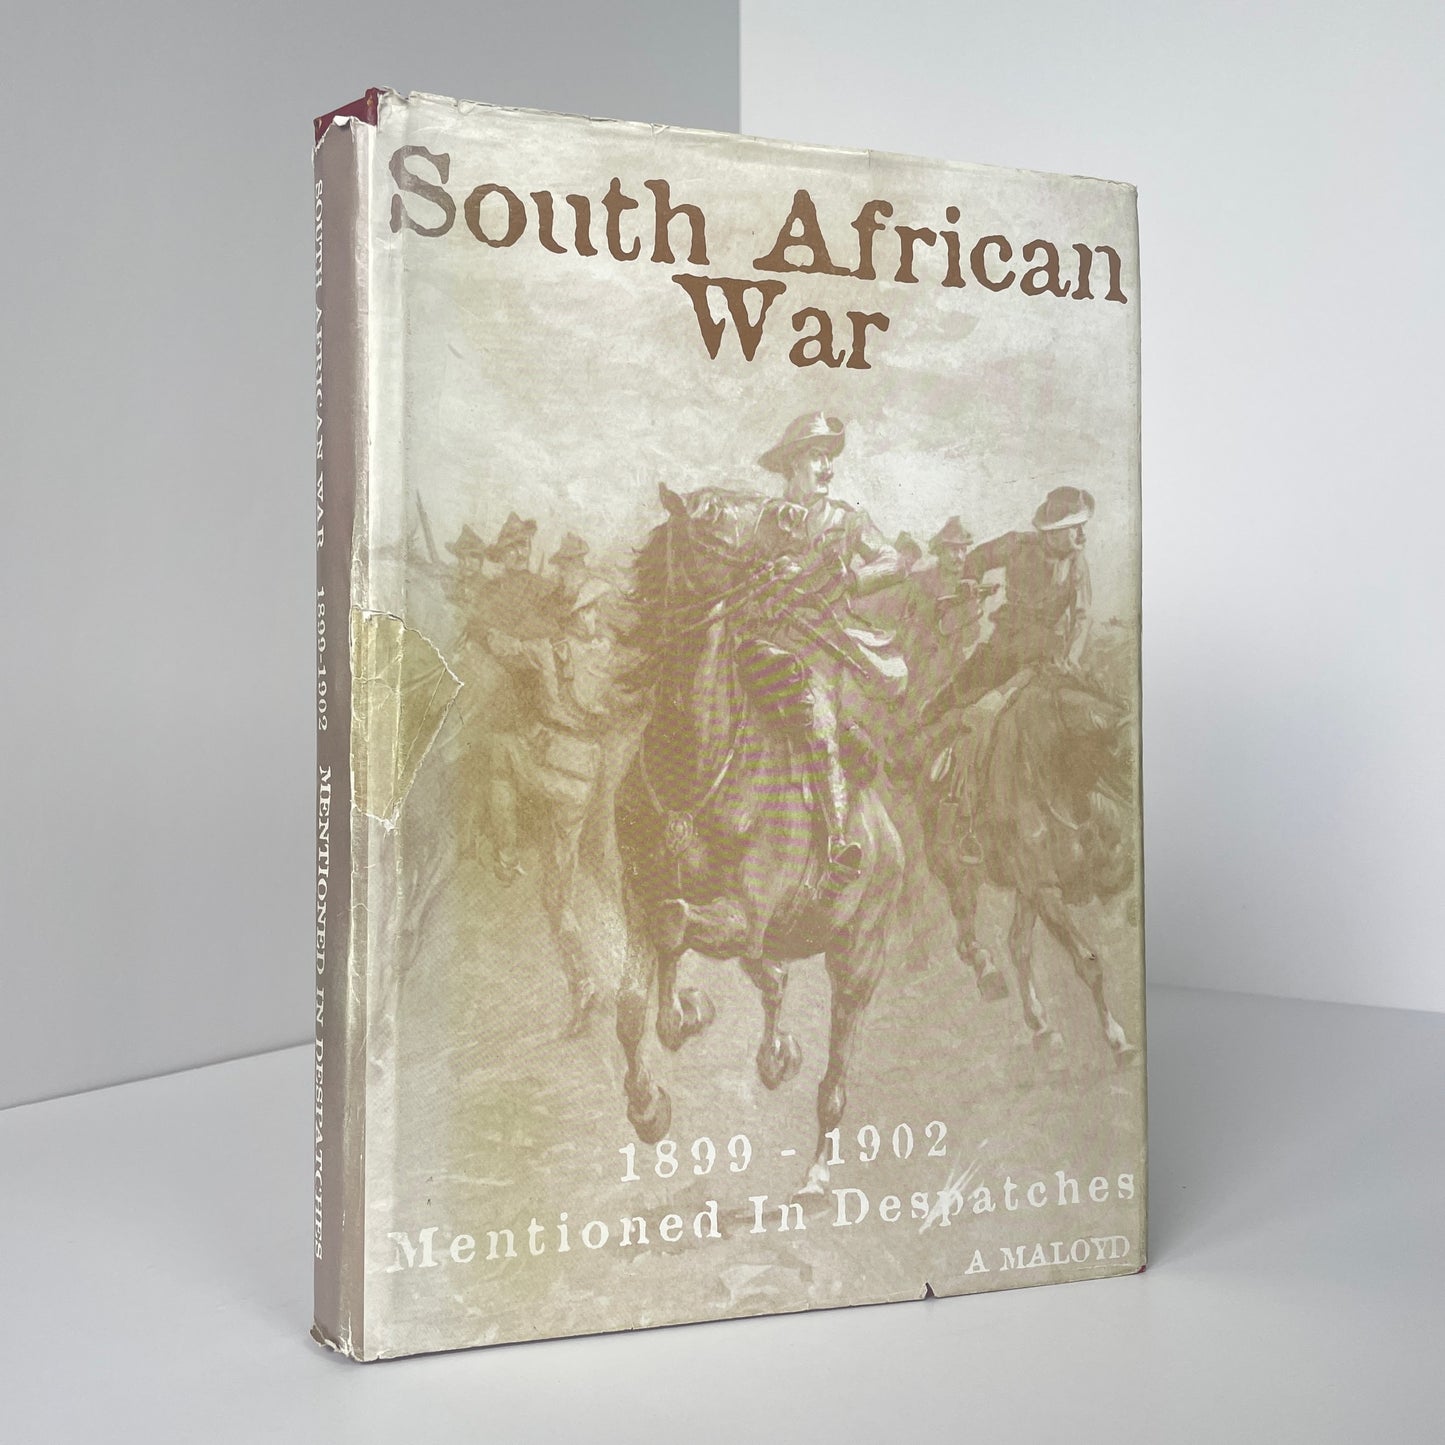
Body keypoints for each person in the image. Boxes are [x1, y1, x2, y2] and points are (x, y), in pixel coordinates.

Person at [743, 411, 912, 880]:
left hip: (815, 652)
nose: (827, 467)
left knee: (818, 725)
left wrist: (853, 579)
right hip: (761, 639)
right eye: (817, 457)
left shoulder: (847, 520)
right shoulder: (765, 521)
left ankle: (837, 840)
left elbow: (894, 561)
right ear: (792, 464)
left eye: (829, 458)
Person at [482, 577, 620, 1034]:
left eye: (594, 609)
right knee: (562, 888)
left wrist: (479, 626)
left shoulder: (546, 651)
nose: (595, 617)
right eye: (589, 609)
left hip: (556, 770)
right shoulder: (607, 654)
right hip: (588, 777)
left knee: (500, 751)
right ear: (576, 616)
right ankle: (587, 982)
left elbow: (503, 648)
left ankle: (506, 855)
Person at [924, 485, 1094, 720]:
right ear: (1054, 531)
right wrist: (970, 579)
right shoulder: (1017, 544)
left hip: (1042, 651)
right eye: (1075, 527)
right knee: (964, 687)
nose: (1082, 533)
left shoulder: (1077, 563)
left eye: (1082, 525)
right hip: (1006, 640)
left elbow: (1082, 616)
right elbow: (980, 557)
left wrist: (1071, 658)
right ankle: (929, 721)